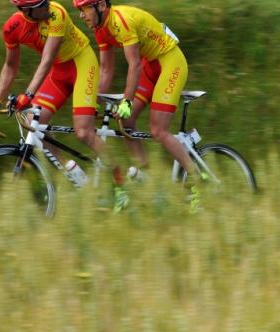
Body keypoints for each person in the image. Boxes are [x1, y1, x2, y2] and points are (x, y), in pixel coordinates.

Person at [0, 0, 127, 210]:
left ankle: (120, 185)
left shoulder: (56, 13)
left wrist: (28, 94)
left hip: (81, 63)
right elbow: (11, 65)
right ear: (25, 10)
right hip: (58, 73)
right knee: (33, 122)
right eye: (41, 4)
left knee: (83, 132)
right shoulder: (12, 28)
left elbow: (46, 59)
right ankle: (72, 170)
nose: (47, 5)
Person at [73, 0, 204, 209]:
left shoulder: (120, 21)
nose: (81, 15)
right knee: (127, 120)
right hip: (149, 66)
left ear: (101, 6)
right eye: (79, 10)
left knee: (158, 129)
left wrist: (126, 100)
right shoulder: (100, 30)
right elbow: (106, 70)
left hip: (170, 63)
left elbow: (133, 64)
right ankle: (149, 178)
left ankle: (198, 181)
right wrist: (93, 102)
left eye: (84, 9)